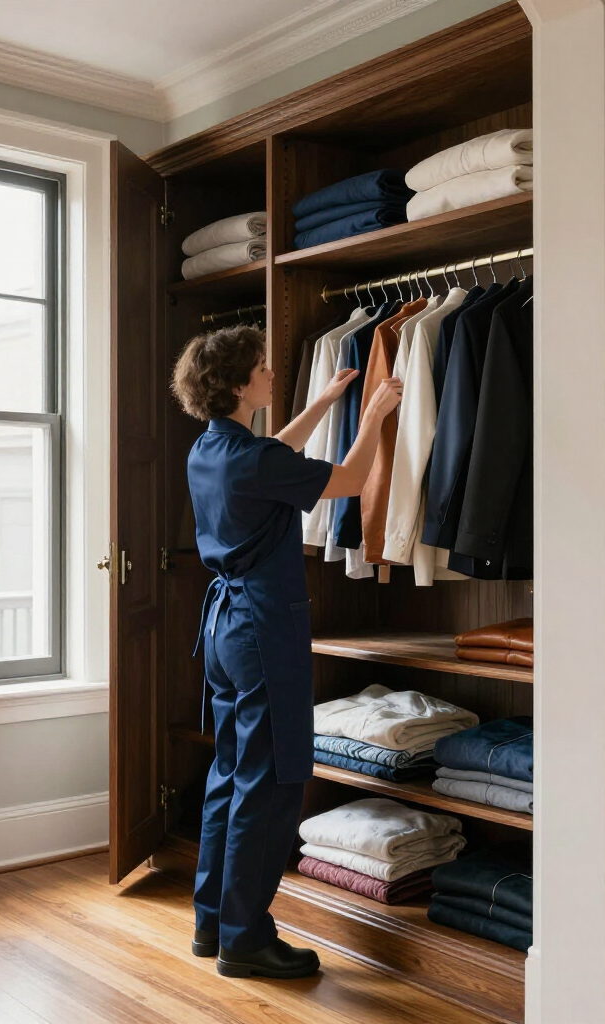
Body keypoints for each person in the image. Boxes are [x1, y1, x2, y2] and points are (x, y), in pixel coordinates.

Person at [171, 323, 402, 979]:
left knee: (229, 776)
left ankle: (213, 922)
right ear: (243, 383)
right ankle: (246, 938)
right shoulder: (253, 460)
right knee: (270, 785)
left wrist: (327, 400)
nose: (273, 373)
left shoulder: (212, 450)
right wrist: (376, 414)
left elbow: (275, 452)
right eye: (265, 368)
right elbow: (353, 477)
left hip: (224, 632)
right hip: (261, 629)